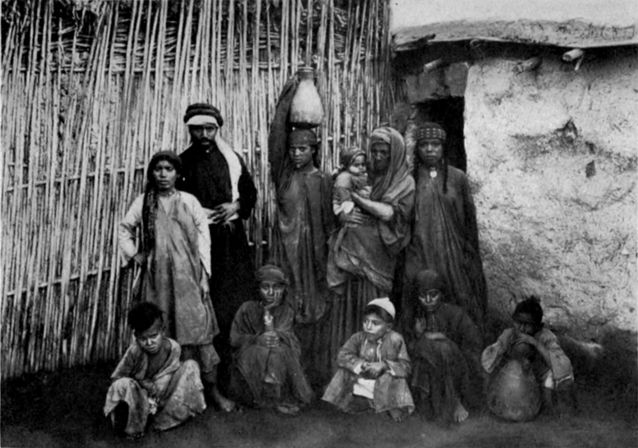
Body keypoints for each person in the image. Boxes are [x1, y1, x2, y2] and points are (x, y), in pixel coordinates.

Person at [118, 151, 233, 411]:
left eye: (168, 169)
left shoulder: (189, 202)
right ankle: (164, 398)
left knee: (197, 331)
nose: (163, 174)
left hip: (188, 278)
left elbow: (204, 238)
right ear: (152, 173)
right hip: (157, 281)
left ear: (177, 173)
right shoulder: (144, 203)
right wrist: (135, 255)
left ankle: (212, 392)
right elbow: (124, 229)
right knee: (160, 332)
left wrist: (204, 275)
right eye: (158, 169)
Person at [176, 103, 257, 389]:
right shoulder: (181, 164)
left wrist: (235, 204)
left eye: (210, 129)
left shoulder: (231, 159)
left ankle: (237, 370)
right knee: (206, 303)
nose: (204, 134)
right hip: (200, 242)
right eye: (198, 129)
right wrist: (202, 217)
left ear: (217, 129)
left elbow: (249, 193)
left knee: (233, 299)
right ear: (190, 130)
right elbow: (175, 204)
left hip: (231, 241)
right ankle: (206, 376)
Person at [326, 126, 415, 371]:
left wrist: (355, 199)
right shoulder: (367, 176)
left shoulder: (404, 182)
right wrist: (343, 216)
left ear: (394, 154)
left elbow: (387, 213)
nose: (376, 157)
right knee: (349, 312)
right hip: (352, 257)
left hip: (380, 259)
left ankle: (374, 376)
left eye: (383, 152)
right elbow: (339, 199)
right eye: (373, 151)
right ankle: (344, 375)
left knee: (373, 311)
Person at [403, 122, 487, 331]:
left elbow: (468, 219)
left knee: (459, 295)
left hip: (452, 253)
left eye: (435, 144)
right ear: (417, 148)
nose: (430, 149)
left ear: (443, 147)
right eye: (424, 145)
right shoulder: (409, 179)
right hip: (420, 251)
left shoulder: (457, 178)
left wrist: (468, 251)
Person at [269, 128, 334, 386]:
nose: (297, 154)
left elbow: (330, 223)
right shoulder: (285, 177)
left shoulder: (324, 180)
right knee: (289, 311)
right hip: (288, 256)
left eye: (303, 149)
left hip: (316, 258)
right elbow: (276, 143)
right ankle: (292, 379)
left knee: (317, 311)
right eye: (293, 149)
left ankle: (315, 378)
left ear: (314, 150)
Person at [104, 302, 206, 439]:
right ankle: (135, 426)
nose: (149, 343)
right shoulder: (134, 351)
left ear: (162, 331)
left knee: (191, 366)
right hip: (140, 400)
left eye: (153, 336)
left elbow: (173, 372)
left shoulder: (173, 348)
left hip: (163, 396)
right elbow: (116, 378)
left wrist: (161, 387)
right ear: (136, 336)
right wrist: (141, 384)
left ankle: (164, 419)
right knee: (122, 384)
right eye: (143, 339)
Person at [229, 264, 313, 415]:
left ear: (283, 289)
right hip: (249, 359)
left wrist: (270, 322)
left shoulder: (286, 311)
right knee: (263, 351)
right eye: (265, 287)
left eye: (277, 287)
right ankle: (262, 398)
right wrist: (256, 339)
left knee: (279, 351)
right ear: (258, 289)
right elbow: (234, 339)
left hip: (278, 358)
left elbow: (284, 337)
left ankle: (275, 398)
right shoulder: (247, 308)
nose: (271, 292)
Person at [408, 270, 483, 424]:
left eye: (433, 294)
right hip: (427, 366)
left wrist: (446, 339)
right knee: (427, 346)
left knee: (444, 348)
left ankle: (455, 400)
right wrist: (419, 336)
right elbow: (407, 347)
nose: (428, 300)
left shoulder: (456, 313)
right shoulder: (416, 316)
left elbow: (473, 343)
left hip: (457, 365)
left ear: (441, 293)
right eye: (423, 296)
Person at [482, 297, 575, 419]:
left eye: (527, 325)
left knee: (550, 384)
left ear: (538, 326)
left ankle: (549, 410)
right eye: (518, 323)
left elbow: (562, 364)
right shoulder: (509, 334)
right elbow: (491, 358)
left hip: (541, 374)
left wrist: (535, 343)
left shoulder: (546, 337)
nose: (521, 328)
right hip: (518, 375)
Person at [322, 298, 414, 422]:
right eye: (365, 322)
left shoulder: (396, 339)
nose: (368, 327)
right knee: (344, 372)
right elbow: (342, 355)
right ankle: (363, 402)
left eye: (375, 323)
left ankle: (390, 406)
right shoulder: (358, 337)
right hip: (362, 379)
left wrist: (384, 365)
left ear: (388, 327)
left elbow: (405, 366)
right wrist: (362, 364)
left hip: (385, 383)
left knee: (396, 379)